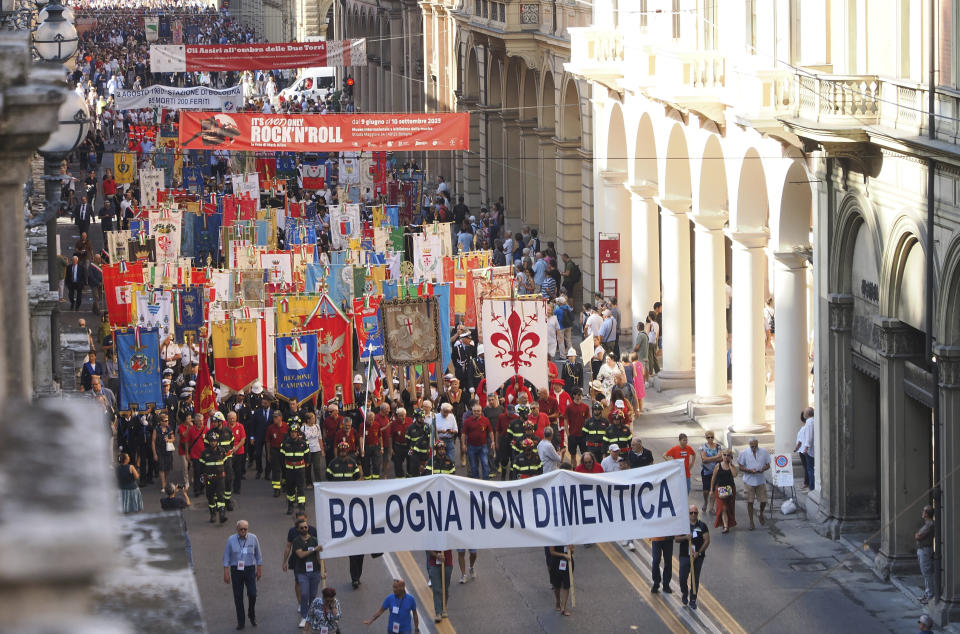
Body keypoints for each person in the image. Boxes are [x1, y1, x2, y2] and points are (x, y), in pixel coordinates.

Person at [223, 520, 262, 630]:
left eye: (245, 529)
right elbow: (226, 557)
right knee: (238, 597)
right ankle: (241, 622)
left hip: (250, 569)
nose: (243, 531)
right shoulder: (231, 540)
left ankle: (251, 613)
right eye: (241, 529)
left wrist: (259, 569)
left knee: (253, 594)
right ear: (237, 530)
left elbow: (258, 555)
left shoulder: (253, 538)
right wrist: (226, 572)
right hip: (236, 570)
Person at [675, 505, 710, 609]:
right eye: (691, 513)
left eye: (695, 513)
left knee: (695, 578)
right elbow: (676, 539)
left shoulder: (702, 526)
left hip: (698, 556)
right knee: (682, 577)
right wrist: (685, 537)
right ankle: (684, 593)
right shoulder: (683, 526)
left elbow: (707, 540)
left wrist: (698, 552)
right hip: (685, 556)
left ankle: (693, 599)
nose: (693, 515)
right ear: (688, 514)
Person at [292, 518, 323, 627]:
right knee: (304, 594)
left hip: (315, 571)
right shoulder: (296, 541)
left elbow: (319, 556)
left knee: (313, 595)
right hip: (302, 572)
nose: (304, 529)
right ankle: (304, 617)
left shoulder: (314, 540)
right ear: (298, 529)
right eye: (302, 528)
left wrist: (324, 569)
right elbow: (300, 554)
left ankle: (312, 616)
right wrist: (314, 549)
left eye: (306, 527)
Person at [737, 438, 771, 530]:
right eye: (752, 446)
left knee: (763, 501)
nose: (754, 447)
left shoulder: (764, 452)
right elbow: (740, 467)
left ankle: (761, 513)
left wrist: (763, 469)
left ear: (757, 444)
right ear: (749, 445)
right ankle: (751, 521)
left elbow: (768, 465)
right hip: (749, 480)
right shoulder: (744, 453)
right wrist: (749, 470)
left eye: (755, 445)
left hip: (760, 480)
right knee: (750, 501)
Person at [200, 429, 229, 524]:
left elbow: (225, 463)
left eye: (215, 441)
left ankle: (222, 514)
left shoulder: (222, 451)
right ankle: (213, 514)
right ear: (209, 441)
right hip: (209, 479)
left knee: (221, 496)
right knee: (210, 496)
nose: (213, 443)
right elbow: (201, 467)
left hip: (220, 478)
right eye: (212, 441)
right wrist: (202, 477)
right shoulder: (205, 453)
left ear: (217, 441)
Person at [282, 422, 310, 514]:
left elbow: (307, 456)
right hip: (289, 470)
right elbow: (281, 457)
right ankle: (290, 505)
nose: (293, 433)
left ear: (298, 433)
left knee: (300, 487)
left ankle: (301, 505)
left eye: (295, 432)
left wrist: (307, 464)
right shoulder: (285, 444)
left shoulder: (303, 444)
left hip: (300, 470)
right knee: (290, 488)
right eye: (292, 432)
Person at [461, 402, 493, 479]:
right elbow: (463, 434)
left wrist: (493, 442)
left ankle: (486, 480)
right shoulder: (467, 421)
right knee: (474, 465)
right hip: (471, 447)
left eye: (478, 411)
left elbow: (490, 432)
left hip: (483, 446)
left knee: (485, 464)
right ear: (472, 412)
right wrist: (463, 445)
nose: (476, 412)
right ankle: (476, 480)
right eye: (475, 411)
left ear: (481, 411)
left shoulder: (486, 420)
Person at [709, 451, 738, 533]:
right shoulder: (718, 466)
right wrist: (711, 490)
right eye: (724, 455)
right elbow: (713, 478)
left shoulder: (732, 466)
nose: (726, 456)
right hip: (720, 489)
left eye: (728, 455)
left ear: (731, 457)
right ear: (722, 456)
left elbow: (735, 475)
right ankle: (725, 526)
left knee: (729, 507)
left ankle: (728, 523)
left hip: (730, 488)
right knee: (723, 508)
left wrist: (730, 465)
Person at [699, 432, 724, 512]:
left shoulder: (718, 446)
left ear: (714, 437)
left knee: (713, 489)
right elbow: (703, 459)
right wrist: (715, 458)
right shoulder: (703, 447)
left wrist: (709, 459)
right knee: (706, 491)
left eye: (711, 437)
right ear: (706, 438)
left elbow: (721, 458)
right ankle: (706, 502)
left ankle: (711, 507)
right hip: (706, 471)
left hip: (716, 471)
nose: (710, 439)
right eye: (708, 437)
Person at [916, 505, 936, 603]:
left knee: (927, 573)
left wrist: (917, 535)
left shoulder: (930, 524)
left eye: (924, 511)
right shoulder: (927, 523)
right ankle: (927, 593)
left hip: (925, 550)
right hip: (922, 550)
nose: (922, 512)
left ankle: (930, 595)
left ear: (927, 513)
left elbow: (918, 536)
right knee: (925, 573)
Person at [427, 549, 453, 622]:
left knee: (445, 588)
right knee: (436, 589)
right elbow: (427, 548)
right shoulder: (431, 537)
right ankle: (438, 613)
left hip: (447, 563)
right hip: (434, 565)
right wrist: (436, 555)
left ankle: (443, 609)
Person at [548, 545, 574, 616]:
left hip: (568, 562)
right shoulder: (554, 535)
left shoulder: (569, 537)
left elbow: (572, 551)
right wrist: (563, 555)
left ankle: (563, 608)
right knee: (556, 585)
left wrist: (571, 549)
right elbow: (552, 552)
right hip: (556, 563)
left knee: (566, 585)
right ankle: (558, 601)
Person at [796, 406, 815, 490]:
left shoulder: (809, 422)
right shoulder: (811, 421)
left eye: (804, 412)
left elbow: (809, 437)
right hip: (811, 448)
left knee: (810, 469)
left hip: (810, 450)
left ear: (807, 414)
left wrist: (806, 447)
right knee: (810, 468)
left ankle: (811, 487)